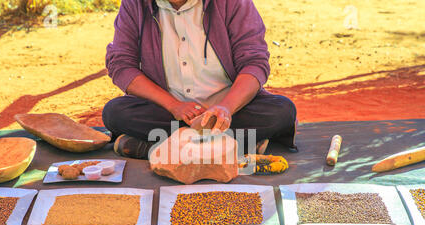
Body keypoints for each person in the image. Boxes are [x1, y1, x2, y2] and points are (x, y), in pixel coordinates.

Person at [103, 0, 297, 159]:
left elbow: (254, 62)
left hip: (232, 110)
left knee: (281, 111)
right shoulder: (134, 5)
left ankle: (158, 147)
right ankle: (236, 145)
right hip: (168, 112)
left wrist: (226, 108)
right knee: (115, 113)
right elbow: (121, 64)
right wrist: (174, 105)